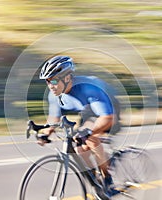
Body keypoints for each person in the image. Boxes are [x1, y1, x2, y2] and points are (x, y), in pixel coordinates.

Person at [38, 55, 121, 197]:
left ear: (68, 78)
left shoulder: (88, 89)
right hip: (88, 112)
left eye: (55, 80)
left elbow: (107, 118)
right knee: (79, 148)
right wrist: (45, 133)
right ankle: (94, 176)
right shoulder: (54, 94)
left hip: (107, 110)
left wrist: (90, 132)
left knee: (89, 138)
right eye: (48, 81)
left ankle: (107, 179)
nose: (51, 85)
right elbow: (54, 119)